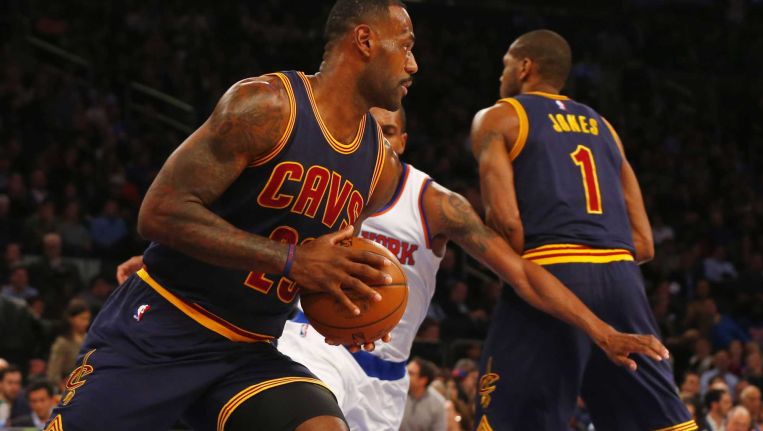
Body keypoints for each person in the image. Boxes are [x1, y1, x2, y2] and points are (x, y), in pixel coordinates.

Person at [119, 103, 670, 430]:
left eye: (387, 131)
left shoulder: (436, 204)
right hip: (310, 343)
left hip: (385, 376)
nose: (375, 140)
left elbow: (523, 274)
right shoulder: (322, 182)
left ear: (402, 139)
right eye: (367, 128)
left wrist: (602, 330)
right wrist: (159, 265)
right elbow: (251, 233)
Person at [47, 1, 418, 430]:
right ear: (365, 41)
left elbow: (324, 264)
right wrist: (292, 259)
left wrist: (352, 304)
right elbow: (160, 212)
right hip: (163, 327)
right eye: (406, 46)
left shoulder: (381, 169)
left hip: (249, 351)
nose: (413, 64)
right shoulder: (266, 106)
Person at [471, 29, 695, 430]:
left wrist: (525, 271)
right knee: (658, 421)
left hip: (552, 271)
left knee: (508, 416)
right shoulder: (605, 127)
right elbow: (644, 242)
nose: (500, 74)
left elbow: (506, 222)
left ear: (524, 67)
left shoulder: (501, 116)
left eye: (505, 64)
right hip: (623, 277)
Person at [45, 300, 91, 387]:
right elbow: (53, 374)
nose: (86, 323)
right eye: (82, 319)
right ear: (71, 319)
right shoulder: (62, 343)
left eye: (87, 319)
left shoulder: (89, 338)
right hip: (69, 387)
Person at [399, 357, 446, 431]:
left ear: (423, 380)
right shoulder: (397, 394)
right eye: (405, 371)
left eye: (410, 373)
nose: (405, 376)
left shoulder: (438, 403)